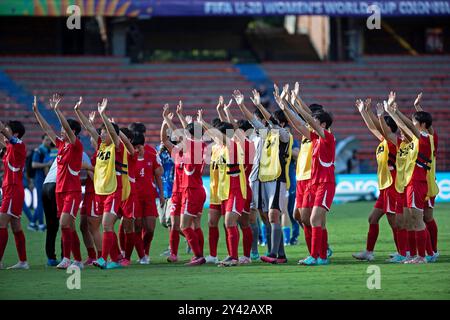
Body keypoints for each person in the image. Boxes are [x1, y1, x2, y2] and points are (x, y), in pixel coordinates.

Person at [279, 85, 336, 266]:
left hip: (325, 182)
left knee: (314, 219)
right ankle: (315, 255)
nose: (309, 123)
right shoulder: (314, 138)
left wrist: (296, 100)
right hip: (311, 182)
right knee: (304, 218)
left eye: (314, 120)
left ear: (323, 124)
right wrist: (285, 108)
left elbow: (305, 120)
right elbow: (297, 123)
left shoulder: (327, 137)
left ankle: (320, 255)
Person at [385, 92, 438, 264]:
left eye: (415, 122)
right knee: (411, 221)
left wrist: (395, 111)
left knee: (418, 220)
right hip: (409, 183)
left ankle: (423, 256)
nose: (412, 124)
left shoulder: (425, 138)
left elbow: (408, 126)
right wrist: (393, 112)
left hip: (417, 182)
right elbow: (407, 127)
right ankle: (416, 255)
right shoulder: (415, 140)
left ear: (422, 125)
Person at [33, 94, 84, 270]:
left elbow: (67, 131)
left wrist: (57, 110)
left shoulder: (77, 146)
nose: (62, 131)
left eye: (65, 128)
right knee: (68, 226)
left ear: (73, 132)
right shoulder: (61, 145)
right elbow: (47, 130)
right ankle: (78, 259)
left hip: (72, 191)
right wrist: (37, 113)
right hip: (59, 191)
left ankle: (67, 259)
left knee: (63, 224)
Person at [352, 98, 401, 262]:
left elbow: (377, 126)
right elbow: (372, 127)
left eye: (384, 125)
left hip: (393, 185)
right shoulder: (383, 141)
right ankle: (369, 252)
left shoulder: (393, 141)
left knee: (394, 221)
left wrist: (377, 114)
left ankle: (403, 252)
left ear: (389, 127)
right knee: (373, 219)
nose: (380, 128)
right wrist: (364, 112)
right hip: (384, 187)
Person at [0, 119, 28, 270]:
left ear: (15, 133)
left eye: (7, 129)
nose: (5, 131)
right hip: (10, 190)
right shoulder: (10, 147)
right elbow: (4, 138)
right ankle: (23, 262)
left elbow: (6, 135)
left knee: (1, 224)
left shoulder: (19, 145)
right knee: (16, 227)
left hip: (13, 190)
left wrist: (2, 129)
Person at [30, 134, 53, 231]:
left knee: (42, 202)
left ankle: (32, 223)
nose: (48, 142)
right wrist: (47, 164)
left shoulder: (47, 150)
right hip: (39, 179)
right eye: (46, 140)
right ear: (42, 140)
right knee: (40, 202)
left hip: (44, 179)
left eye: (49, 140)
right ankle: (40, 224)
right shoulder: (39, 150)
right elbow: (34, 164)